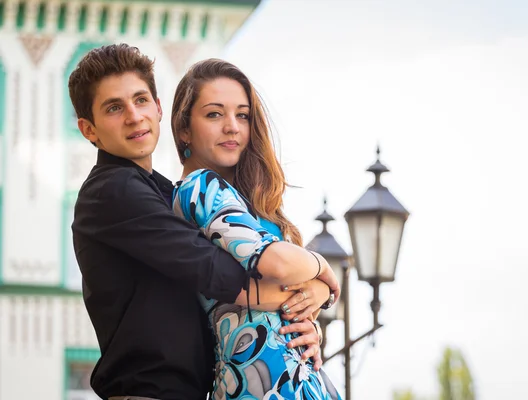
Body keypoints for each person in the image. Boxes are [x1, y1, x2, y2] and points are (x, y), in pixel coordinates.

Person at [69, 44, 333, 400]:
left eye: (141, 100)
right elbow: (220, 276)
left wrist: (312, 298)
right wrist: (321, 279)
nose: (134, 116)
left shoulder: (166, 194)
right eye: (115, 108)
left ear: (158, 108)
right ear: (89, 129)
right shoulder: (114, 190)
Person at [170, 58, 342, 399]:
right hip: (256, 386)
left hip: (299, 383)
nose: (232, 126)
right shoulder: (198, 189)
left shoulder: (249, 204)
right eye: (214, 114)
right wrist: (322, 269)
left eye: (242, 115)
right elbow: (277, 264)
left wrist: (316, 296)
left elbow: (286, 278)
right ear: (184, 129)